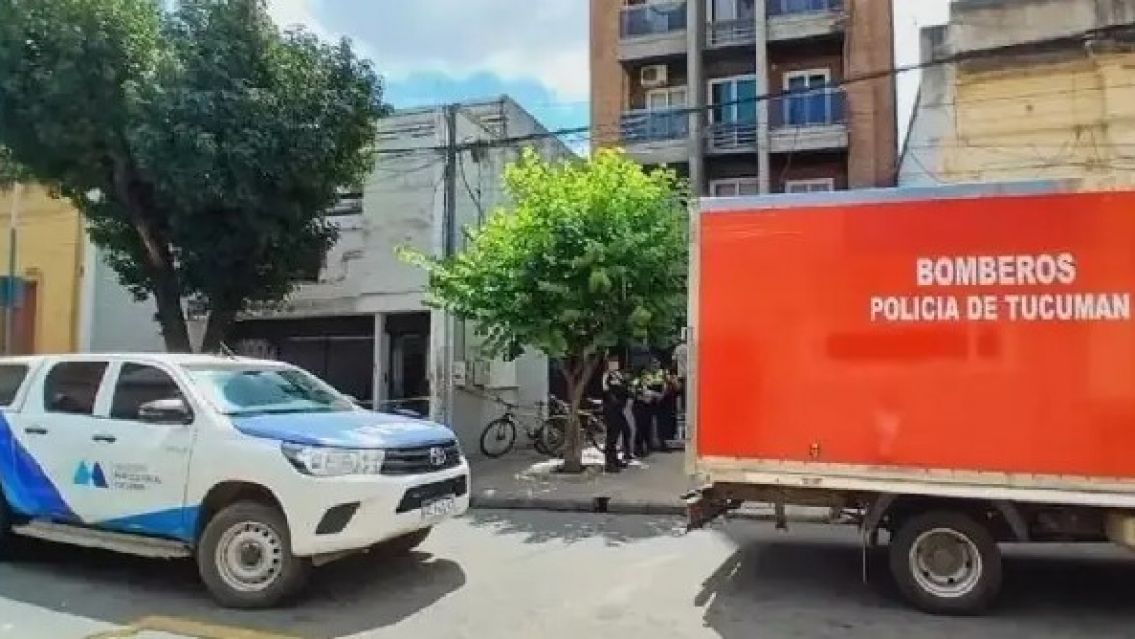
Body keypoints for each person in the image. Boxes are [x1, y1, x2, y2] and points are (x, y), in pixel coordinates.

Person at [601, 354, 632, 473]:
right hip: (611, 410)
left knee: (626, 431)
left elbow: (625, 388)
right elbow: (606, 391)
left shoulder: (618, 374)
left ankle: (619, 457)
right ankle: (609, 463)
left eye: (616, 361)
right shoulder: (606, 375)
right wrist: (615, 400)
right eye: (612, 362)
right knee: (612, 437)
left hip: (619, 410)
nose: (615, 364)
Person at [631, 358, 665, 457]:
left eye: (658, 362)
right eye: (654, 363)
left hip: (650, 405)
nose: (656, 365)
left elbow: (660, 389)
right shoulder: (641, 375)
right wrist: (652, 394)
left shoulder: (658, 374)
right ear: (648, 364)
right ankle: (638, 449)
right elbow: (635, 389)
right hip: (640, 404)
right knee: (640, 427)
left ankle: (646, 447)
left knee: (647, 427)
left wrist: (656, 394)